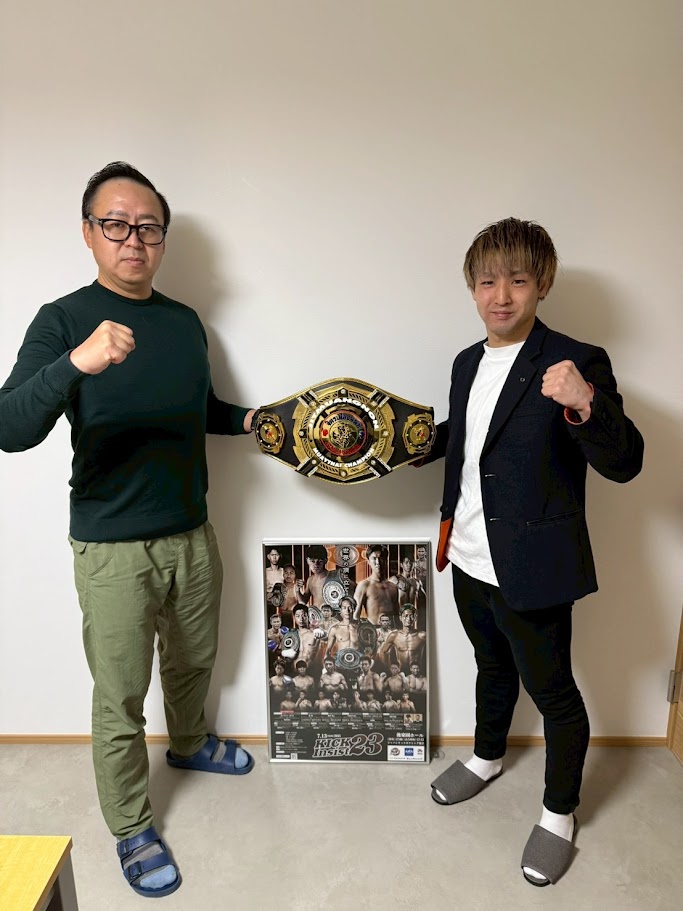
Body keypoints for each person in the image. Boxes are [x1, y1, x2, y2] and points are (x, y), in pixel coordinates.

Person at [0, 162, 259, 898]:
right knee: (119, 694)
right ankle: (130, 825)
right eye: (115, 224)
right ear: (88, 233)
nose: (133, 239)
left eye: (148, 226)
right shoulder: (62, 320)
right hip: (112, 544)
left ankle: (189, 742)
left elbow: (200, 410)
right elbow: (9, 427)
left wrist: (255, 421)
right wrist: (76, 364)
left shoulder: (183, 321)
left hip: (192, 531)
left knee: (193, 660)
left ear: (163, 238)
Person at [423, 217, 643, 887]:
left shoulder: (575, 359)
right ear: (471, 286)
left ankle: (558, 813)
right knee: (491, 666)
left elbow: (626, 462)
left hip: (532, 565)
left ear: (541, 283)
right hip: (465, 554)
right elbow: (466, 437)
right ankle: (487, 756)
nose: (501, 296)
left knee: (554, 695)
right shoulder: (466, 361)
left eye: (517, 280)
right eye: (487, 282)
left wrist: (584, 402)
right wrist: (391, 442)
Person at [353, 544, 400, 624]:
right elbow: (355, 616)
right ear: (368, 562)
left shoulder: (393, 587)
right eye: (374, 558)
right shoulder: (364, 586)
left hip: (391, 630)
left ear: (385, 561)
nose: (378, 562)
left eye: (381, 558)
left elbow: (397, 617)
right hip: (372, 629)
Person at [377, 605, 427, 674]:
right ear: (400, 618)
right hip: (401, 673)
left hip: (417, 673)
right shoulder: (394, 635)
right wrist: (389, 667)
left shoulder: (422, 636)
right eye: (405, 616)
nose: (408, 619)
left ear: (415, 618)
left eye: (411, 616)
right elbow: (383, 652)